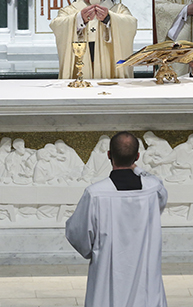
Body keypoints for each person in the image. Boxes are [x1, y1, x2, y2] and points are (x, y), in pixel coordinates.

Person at [66, 131, 168, 307]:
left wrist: (93, 250)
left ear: (108, 155)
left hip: (107, 281)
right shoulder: (153, 190)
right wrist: (137, 168)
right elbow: (157, 184)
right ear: (137, 156)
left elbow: (77, 233)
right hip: (146, 286)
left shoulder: (95, 193)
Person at [50, 0, 137, 79]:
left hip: (111, 75)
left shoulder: (118, 10)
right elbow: (57, 25)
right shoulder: (69, 12)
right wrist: (79, 19)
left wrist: (109, 19)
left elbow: (130, 24)